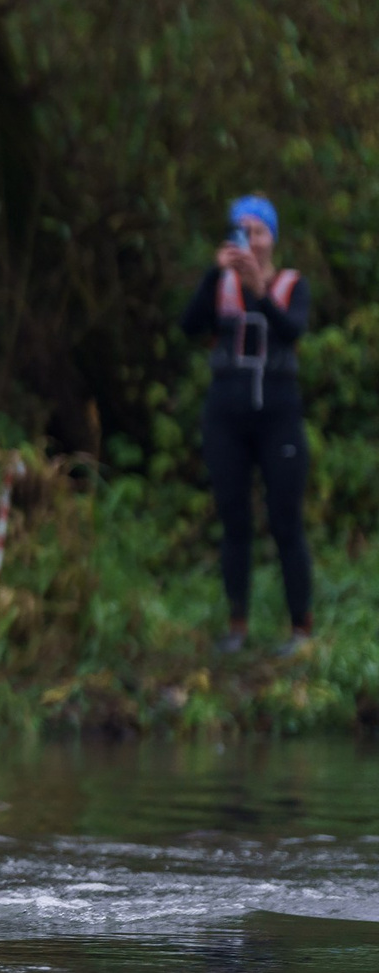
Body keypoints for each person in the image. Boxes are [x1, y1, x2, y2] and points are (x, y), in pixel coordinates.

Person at [179, 193, 313, 656]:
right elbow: (188, 325)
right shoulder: (220, 286)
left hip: (279, 418)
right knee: (234, 520)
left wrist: (259, 288)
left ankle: (301, 630)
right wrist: (217, 272)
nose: (250, 241)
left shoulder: (292, 285)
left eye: (258, 232)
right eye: (242, 232)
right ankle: (237, 626)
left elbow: (292, 330)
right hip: (226, 418)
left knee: (285, 523)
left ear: (272, 238)